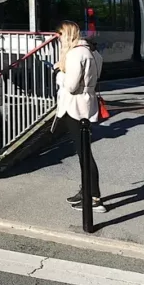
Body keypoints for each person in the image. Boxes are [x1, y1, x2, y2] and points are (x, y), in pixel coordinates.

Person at [54, 20, 107, 213]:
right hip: (87, 104)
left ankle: (94, 198)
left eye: (59, 35)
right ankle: (87, 191)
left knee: (84, 154)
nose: (58, 39)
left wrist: (59, 74)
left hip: (75, 107)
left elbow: (71, 86)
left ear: (66, 35)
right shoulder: (93, 52)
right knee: (84, 152)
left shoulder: (76, 54)